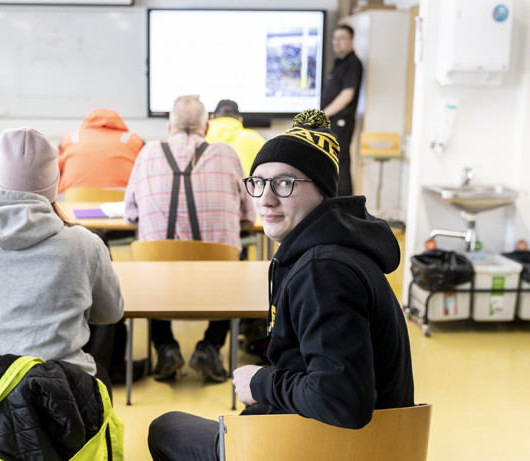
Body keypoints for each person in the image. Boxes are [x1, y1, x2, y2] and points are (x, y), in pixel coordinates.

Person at [147, 109, 414, 461]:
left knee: (165, 429)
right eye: (258, 183)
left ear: (322, 191)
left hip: (322, 447)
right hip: (342, 441)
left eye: (285, 183)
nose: (265, 199)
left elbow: (343, 400)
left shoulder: (324, 272)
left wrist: (261, 382)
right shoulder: (332, 252)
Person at [0, 127, 124, 393]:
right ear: (53, 186)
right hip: (59, 416)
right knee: (102, 380)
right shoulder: (84, 245)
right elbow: (110, 313)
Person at [124, 95, 256, 383]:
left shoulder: (147, 153)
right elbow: (249, 216)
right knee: (240, 261)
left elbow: (131, 214)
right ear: (207, 126)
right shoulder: (227, 154)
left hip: (157, 282)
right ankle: (210, 346)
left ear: (169, 125)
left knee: (150, 263)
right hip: (217, 280)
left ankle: (166, 348)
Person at [57, 108, 144, 194]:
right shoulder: (133, 140)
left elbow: (53, 170)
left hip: (71, 201)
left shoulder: (70, 139)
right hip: (122, 202)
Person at [322, 24, 363, 197]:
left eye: (341, 38)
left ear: (351, 41)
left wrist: (324, 114)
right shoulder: (339, 62)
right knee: (332, 163)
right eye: (334, 38)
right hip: (333, 122)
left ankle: (345, 205)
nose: (336, 42)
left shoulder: (352, 63)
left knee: (341, 163)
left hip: (341, 121)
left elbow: (347, 94)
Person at [205, 99, 265, 177]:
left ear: (211, 117)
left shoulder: (199, 139)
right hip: (246, 188)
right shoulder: (256, 139)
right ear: (240, 120)